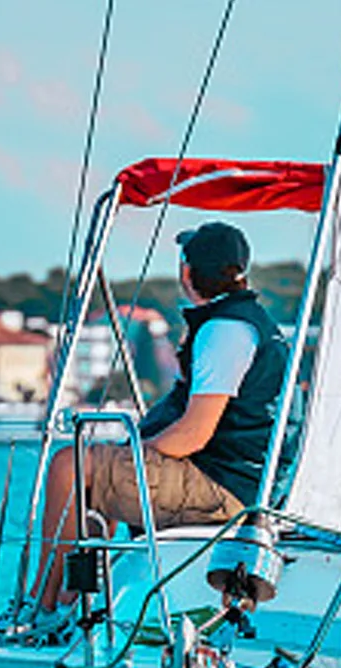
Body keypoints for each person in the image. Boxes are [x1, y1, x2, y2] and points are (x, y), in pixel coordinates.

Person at [32, 219, 288, 617]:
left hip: (223, 488)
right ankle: (75, 601)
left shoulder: (224, 331)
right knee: (99, 477)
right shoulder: (250, 324)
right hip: (238, 481)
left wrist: (138, 452)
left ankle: (40, 606)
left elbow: (192, 435)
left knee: (70, 465)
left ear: (187, 272)